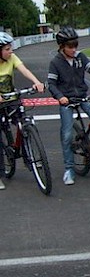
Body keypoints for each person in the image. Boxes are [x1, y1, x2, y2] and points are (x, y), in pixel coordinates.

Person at [47, 27, 90, 186]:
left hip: (82, 96)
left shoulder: (80, 57)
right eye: (70, 46)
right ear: (61, 46)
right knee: (67, 134)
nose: (74, 49)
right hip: (66, 100)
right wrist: (60, 97)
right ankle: (69, 169)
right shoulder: (55, 63)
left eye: (75, 45)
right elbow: (51, 84)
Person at [0, 32, 45, 190]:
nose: (11, 51)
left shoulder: (12, 58)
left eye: (10, 48)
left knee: (25, 123)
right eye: (7, 49)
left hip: (12, 99)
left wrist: (36, 82)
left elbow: (24, 70)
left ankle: (30, 157)